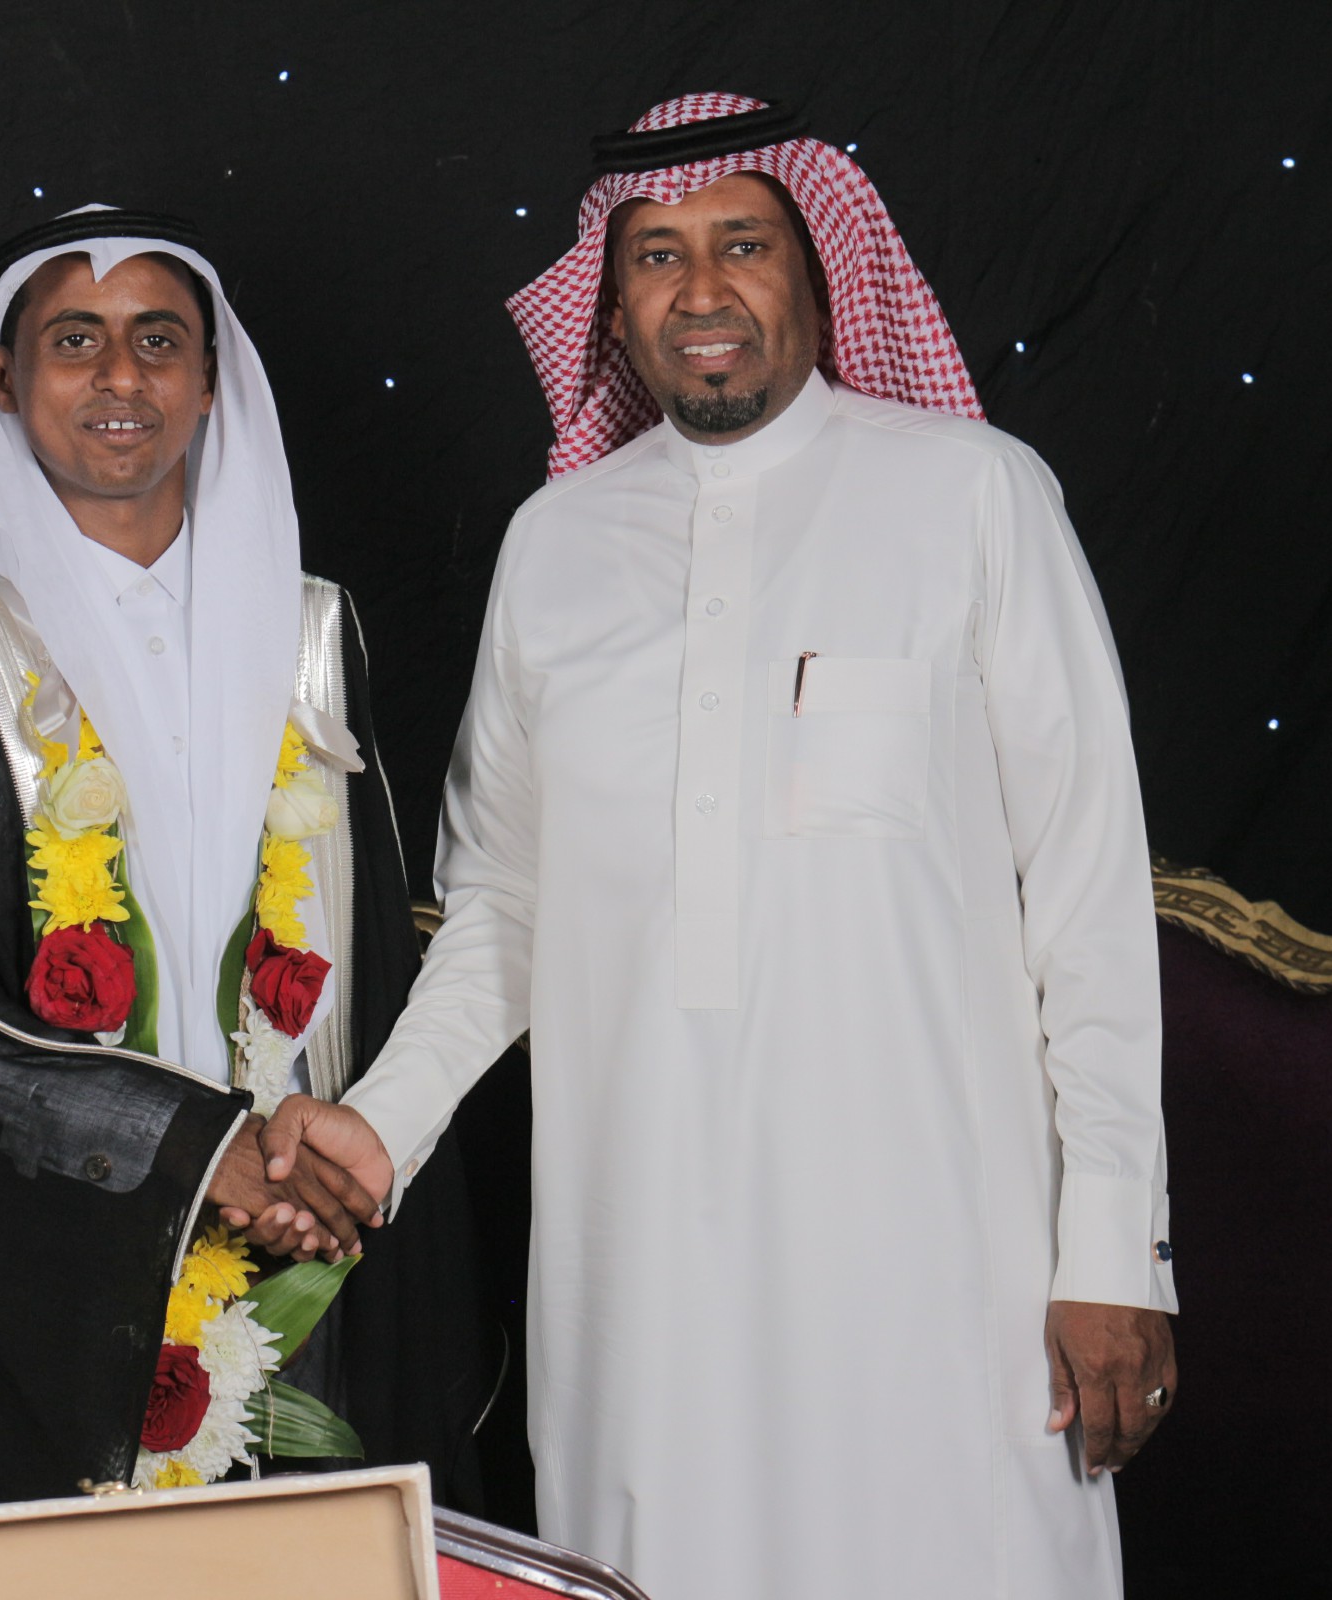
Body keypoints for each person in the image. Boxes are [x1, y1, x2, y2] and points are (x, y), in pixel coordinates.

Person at [267, 97, 1179, 1597]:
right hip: (643, 1273)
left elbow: (1086, 899)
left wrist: (1113, 1253)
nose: (701, 291)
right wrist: (385, 1124)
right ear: (611, 301)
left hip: (944, 1258)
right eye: (656, 255)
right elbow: (506, 907)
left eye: (742, 244)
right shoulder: (554, 546)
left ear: (816, 270)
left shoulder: (975, 496)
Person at [0, 205, 489, 1513]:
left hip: (303, 1245)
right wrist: (183, 1149)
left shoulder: (313, 631)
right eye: (75, 340)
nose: (120, 376)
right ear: (2, 377)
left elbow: (374, 956)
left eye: (158, 340)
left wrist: (318, 1177)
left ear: (211, 378)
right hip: (42, 1249)